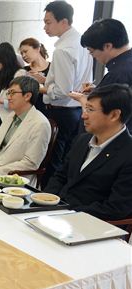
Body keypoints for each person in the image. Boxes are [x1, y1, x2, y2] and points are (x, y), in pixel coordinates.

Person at [45, 84, 132, 221]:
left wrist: (67, 213)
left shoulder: (128, 153)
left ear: (114, 115)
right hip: (55, 214)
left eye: (90, 110)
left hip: (90, 226)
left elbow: (116, 208)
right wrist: (46, 201)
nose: (83, 116)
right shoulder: (82, 140)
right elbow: (60, 176)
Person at [42, 1, 92, 185]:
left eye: (48, 22)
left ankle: (47, 198)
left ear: (63, 22)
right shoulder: (81, 43)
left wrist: (42, 89)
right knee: (67, 159)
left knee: (54, 161)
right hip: (76, 110)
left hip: (61, 111)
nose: (45, 27)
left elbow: (63, 91)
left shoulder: (63, 50)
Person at [0, 76, 51, 181]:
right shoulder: (11, 115)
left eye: (12, 93)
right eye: (8, 93)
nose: (8, 97)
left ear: (27, 96)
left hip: (14, 180)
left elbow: (30, 163)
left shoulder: (40, 123)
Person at [76, 19, 132, 131]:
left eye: (91, 51)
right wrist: (100, 91)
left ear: (108, 46)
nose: (93, 56)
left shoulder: (118, 74)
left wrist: (83, 100)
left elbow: (102, 115)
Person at [19, 38, 50, 114]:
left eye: (25, 51)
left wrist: (44, 80)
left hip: (51, 111)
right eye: (21, 53)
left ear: (37, 49)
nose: (23, 56)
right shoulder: (24, 71)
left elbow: (60, 88)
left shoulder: (53, 67)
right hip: (31, 112)